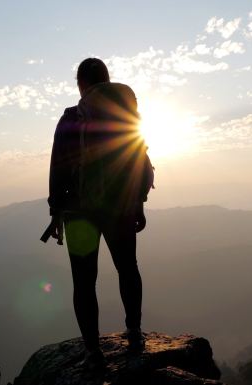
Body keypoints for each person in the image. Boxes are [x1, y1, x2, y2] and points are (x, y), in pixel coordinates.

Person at [45, 58, 154, 366]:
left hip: (80, 211)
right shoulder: (125, 115)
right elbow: (139, 159)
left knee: (84, 281)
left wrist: (56, 211)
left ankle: (93, 351)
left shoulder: (71, 118)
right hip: (121, 206)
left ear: (81, 85)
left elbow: (58, 168)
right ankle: (134, 332)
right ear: (107, 80)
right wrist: (139, 203)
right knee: (128, 269)